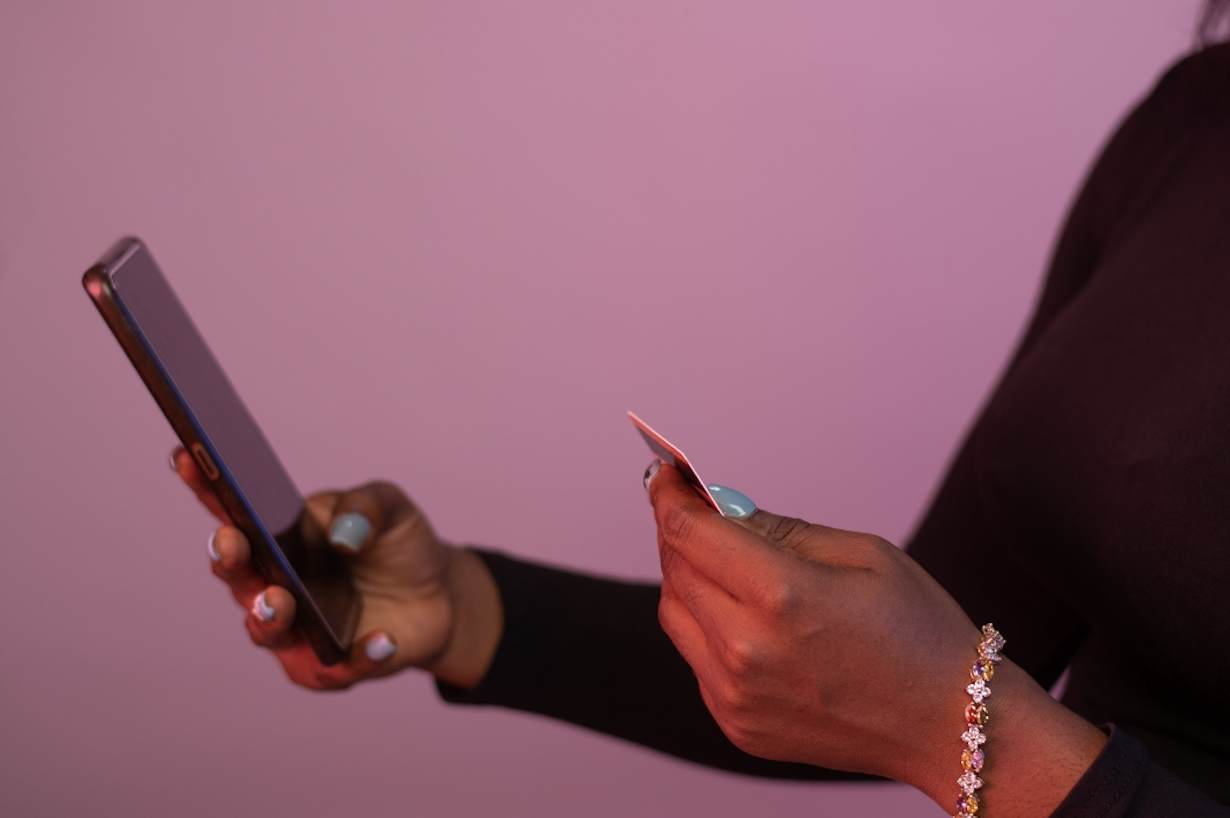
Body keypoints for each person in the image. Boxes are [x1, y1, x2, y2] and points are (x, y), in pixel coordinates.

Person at [173, 9, 1230, 816]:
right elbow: (929, 654)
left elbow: (951, 700)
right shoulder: (1191, 124)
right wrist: (462, 605)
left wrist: (959, 725)